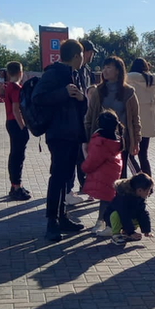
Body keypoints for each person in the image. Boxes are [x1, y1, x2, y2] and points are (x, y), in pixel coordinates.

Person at [33, 39, 88, 242]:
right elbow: (37, 97)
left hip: (74, 133)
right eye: (82, 55)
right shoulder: (53, 73)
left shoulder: (76, 74)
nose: (83, 59)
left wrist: (83, 99)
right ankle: (52, 222)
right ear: (76, 56)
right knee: (57, 176)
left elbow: (82, 105)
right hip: (58, 133)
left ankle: (63, 217)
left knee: (66, 177)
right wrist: (63, 93)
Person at [84, 56, 141, 178]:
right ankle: (106, 197)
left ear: (118, 71)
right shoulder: (98, 92)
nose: (104, 71)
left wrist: (136, 140)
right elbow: (89, 117)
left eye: (109, 67)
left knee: (121, 175)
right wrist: (87, 140)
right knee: (105, 176)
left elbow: (135, 119)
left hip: (122, 142)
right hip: (102, 141)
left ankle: (120, 196)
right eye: (104, 68)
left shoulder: (129, 92)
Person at [64, 39, 98, 205]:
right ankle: (68, 189)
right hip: (74, 120)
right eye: (91, 52)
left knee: (83, 155)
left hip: (85, 117)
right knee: (74, 155)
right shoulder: (72, 71)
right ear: (84, 52)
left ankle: (84, 185)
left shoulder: (86, 71)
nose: (92, 56)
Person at [81, 110, 125, 238]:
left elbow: (93, 159)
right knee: (107, 199)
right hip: (112, 172)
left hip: (103, 174)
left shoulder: (100, 141)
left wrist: (84, 167)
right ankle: (103, 223)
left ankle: (109, 226)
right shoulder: (117, 138)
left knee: (107, 201)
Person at [127, 58, 155, 176]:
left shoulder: (129, 82)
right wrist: (150, 115)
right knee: (143, 155)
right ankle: (148, 183)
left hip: (133, 125)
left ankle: (139, 180)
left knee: (129, 155)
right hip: (148, 126)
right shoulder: (153, 83)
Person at [2, 61, 31, 201]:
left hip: (10, 122)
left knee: (15, 154)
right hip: (16, 123)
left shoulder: (9, 87)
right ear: (21, 73)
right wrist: (23, 126)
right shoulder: (16, 88)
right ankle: (16, 186)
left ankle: (15, 184)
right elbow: (16, 109)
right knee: (18, 156)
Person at [105, 173, 155, 246]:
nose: (149, 193)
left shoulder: (140, 197)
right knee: (116, 215)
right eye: (148, 190)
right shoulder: (123, 196)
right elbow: (124, 215)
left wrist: (146, 230)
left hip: (127, 217)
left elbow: (143, 213)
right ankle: (116, 235)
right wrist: (131, 232)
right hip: (113, 218)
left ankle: (126, 233)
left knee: (140, 213)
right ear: (139, 190)